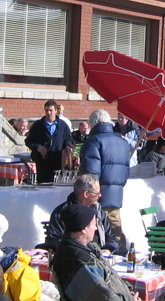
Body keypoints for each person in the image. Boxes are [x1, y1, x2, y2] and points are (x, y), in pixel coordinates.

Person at [79, 108, 132, 252]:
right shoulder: (122, 141)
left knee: (95, 235)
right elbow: (126, 171)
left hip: (96, 197)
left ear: (93, 124)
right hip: (116, 195)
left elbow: (90, 176)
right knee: (115, 231)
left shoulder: (94, 141)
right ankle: (120, 260)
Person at [45, 173, 118, 254]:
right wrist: (78, 250)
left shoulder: (99, 211)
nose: (100, 195)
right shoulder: (62, 212)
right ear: (86, 194)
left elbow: (111, 237)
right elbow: (53, 241)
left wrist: (108, 249)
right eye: (97, 193)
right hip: (73, 257)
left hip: (99, 256)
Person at [26, 99, 74, 183]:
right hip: (43, 161)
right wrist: (38, 147)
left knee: (58, 185)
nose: (49, 113)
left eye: (51, 110)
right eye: (46, 110)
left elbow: (68, 138)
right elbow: (29, 141)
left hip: (58, 160)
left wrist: (67, 146)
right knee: (43, 184)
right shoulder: (38, 125)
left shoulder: (62, 125)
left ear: (56, 111)